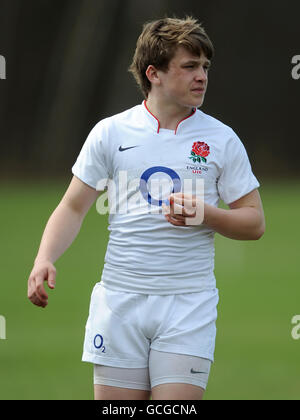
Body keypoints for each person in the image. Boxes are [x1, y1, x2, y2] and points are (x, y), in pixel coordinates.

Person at [27, 16, 265, 400]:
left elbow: (254, 222)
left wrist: (208, 214)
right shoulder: (111, 132)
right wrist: (44, 258)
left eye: (205, 66)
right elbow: (72, 207)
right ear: (153, 73)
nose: (201, 75)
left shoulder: (222, 139)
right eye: (189, 66)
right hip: (120, 301)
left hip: (188, 304)